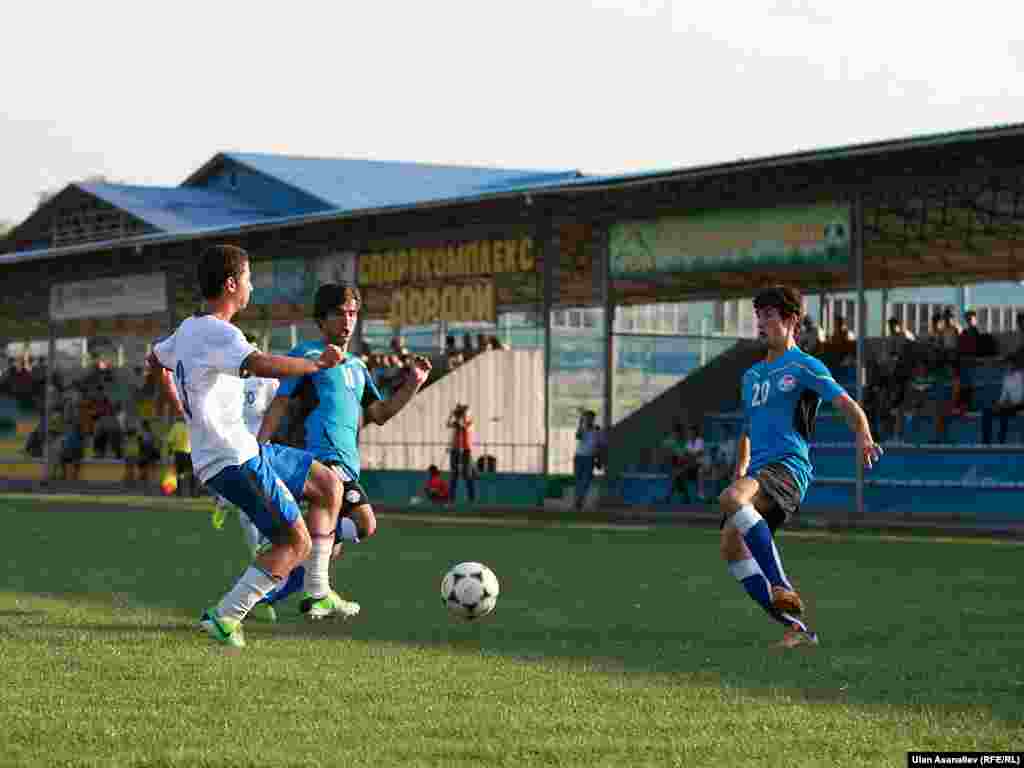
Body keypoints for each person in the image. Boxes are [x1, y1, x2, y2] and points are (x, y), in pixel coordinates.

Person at [150, 244, 349, 649]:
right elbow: (259, 364)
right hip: (232, 458)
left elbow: (156, 360)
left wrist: (187, 411)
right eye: (248, 278)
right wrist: (317, 364)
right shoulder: (217, 332)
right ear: (231, 284)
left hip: (243, 448)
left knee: (328, 484)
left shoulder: (188, 329)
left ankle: (317, 591)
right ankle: (226, 616)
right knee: (295, 543)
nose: (251, 286)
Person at [719, 286, 882, 649]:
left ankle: (781, 585)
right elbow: (748, 429)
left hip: (789, 468)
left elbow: (847, 404)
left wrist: (864, 436)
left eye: (769, 315)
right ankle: (797, 629)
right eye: (758, 316)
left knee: (732, 499)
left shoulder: (804, 365)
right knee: (730, 545)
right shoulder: (751, 376)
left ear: (791, 320)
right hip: (759, 472)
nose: (761, 323)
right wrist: (741, 468)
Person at [259, 282, 432, 616]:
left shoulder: (357, 366)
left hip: (348, 464)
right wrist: (260, 447)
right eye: (339, 313)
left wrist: (413, 383)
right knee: (364, 523)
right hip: (321, 459)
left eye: (352, 313)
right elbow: (281, 401)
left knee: (325, 549)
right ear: (321, 320)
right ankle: (303, 556)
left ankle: (268, 594)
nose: (347, 321)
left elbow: (379, 413)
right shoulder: (307, 355)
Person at [981, 353, 1024, 444]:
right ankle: (985, 441)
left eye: (1008, 364)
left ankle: (1001, 440)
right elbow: (1004, 395)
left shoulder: (1021, 376)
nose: (1006, 366)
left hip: (1020, 404)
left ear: (1014, 365)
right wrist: (998, 404)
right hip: (1009, 405)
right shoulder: (1006, 377)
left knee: (1004, 411)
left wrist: (1011, 403)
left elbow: (1020, 395)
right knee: (987, 411)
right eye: (1005, 364)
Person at [446, 403, 477, 503]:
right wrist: (451, 414)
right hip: (455, 449)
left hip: (466, 450)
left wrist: (461, 415)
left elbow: (463, 425)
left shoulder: (469, 422)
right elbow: (448, 424)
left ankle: (471, 498)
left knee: (466, 474)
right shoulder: (457, 422)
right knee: (453, 474)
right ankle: (451, 498)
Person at [573, 410, 600, 512]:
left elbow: (598, 445)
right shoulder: (582, 429)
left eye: (590, 418)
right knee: (578, 480)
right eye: (586, 418)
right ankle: (578, 501)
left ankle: (579, 500)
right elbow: (578, 436)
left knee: (586, 481)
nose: (588, 420)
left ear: (593, 419)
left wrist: (598, 459)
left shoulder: (597, 430)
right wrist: (580, 423)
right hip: (579, 457)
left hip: (590, 458)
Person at [660, 422, 693, 504]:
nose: (676, 435)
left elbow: (686, 457)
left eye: (678, 433)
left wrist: (682, 458)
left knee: (678, 476)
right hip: (673, 466)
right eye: (675, 433)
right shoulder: (669, 441)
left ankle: (669, 497)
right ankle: (685, 497)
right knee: (677, 477)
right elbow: (664, 451)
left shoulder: (684, 442)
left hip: (684, 466)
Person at [165, 415, 196, 497]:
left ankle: (179, 492)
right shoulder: (190, 426)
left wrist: (169, 451)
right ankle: (193, 492)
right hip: (189, 453)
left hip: (179, 453)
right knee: (191, 473)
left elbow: (170, 441)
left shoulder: (176, 426)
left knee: (179, 473)